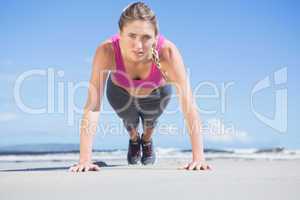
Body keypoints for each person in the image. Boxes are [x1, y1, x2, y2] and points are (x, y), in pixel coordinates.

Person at [69, 1, 211, 172]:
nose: (138, 46)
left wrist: (198, 158)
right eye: (132, 36)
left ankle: (146, 140)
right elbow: (93, 106)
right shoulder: (106, 51)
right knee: (130, 123)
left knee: (150, 123)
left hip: (157, 94)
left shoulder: (168, 53)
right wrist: (85, 159)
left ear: (156, 37)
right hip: (119, 93)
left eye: (146, 37)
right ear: (120, 34)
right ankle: (135, 140)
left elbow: (189, 104)